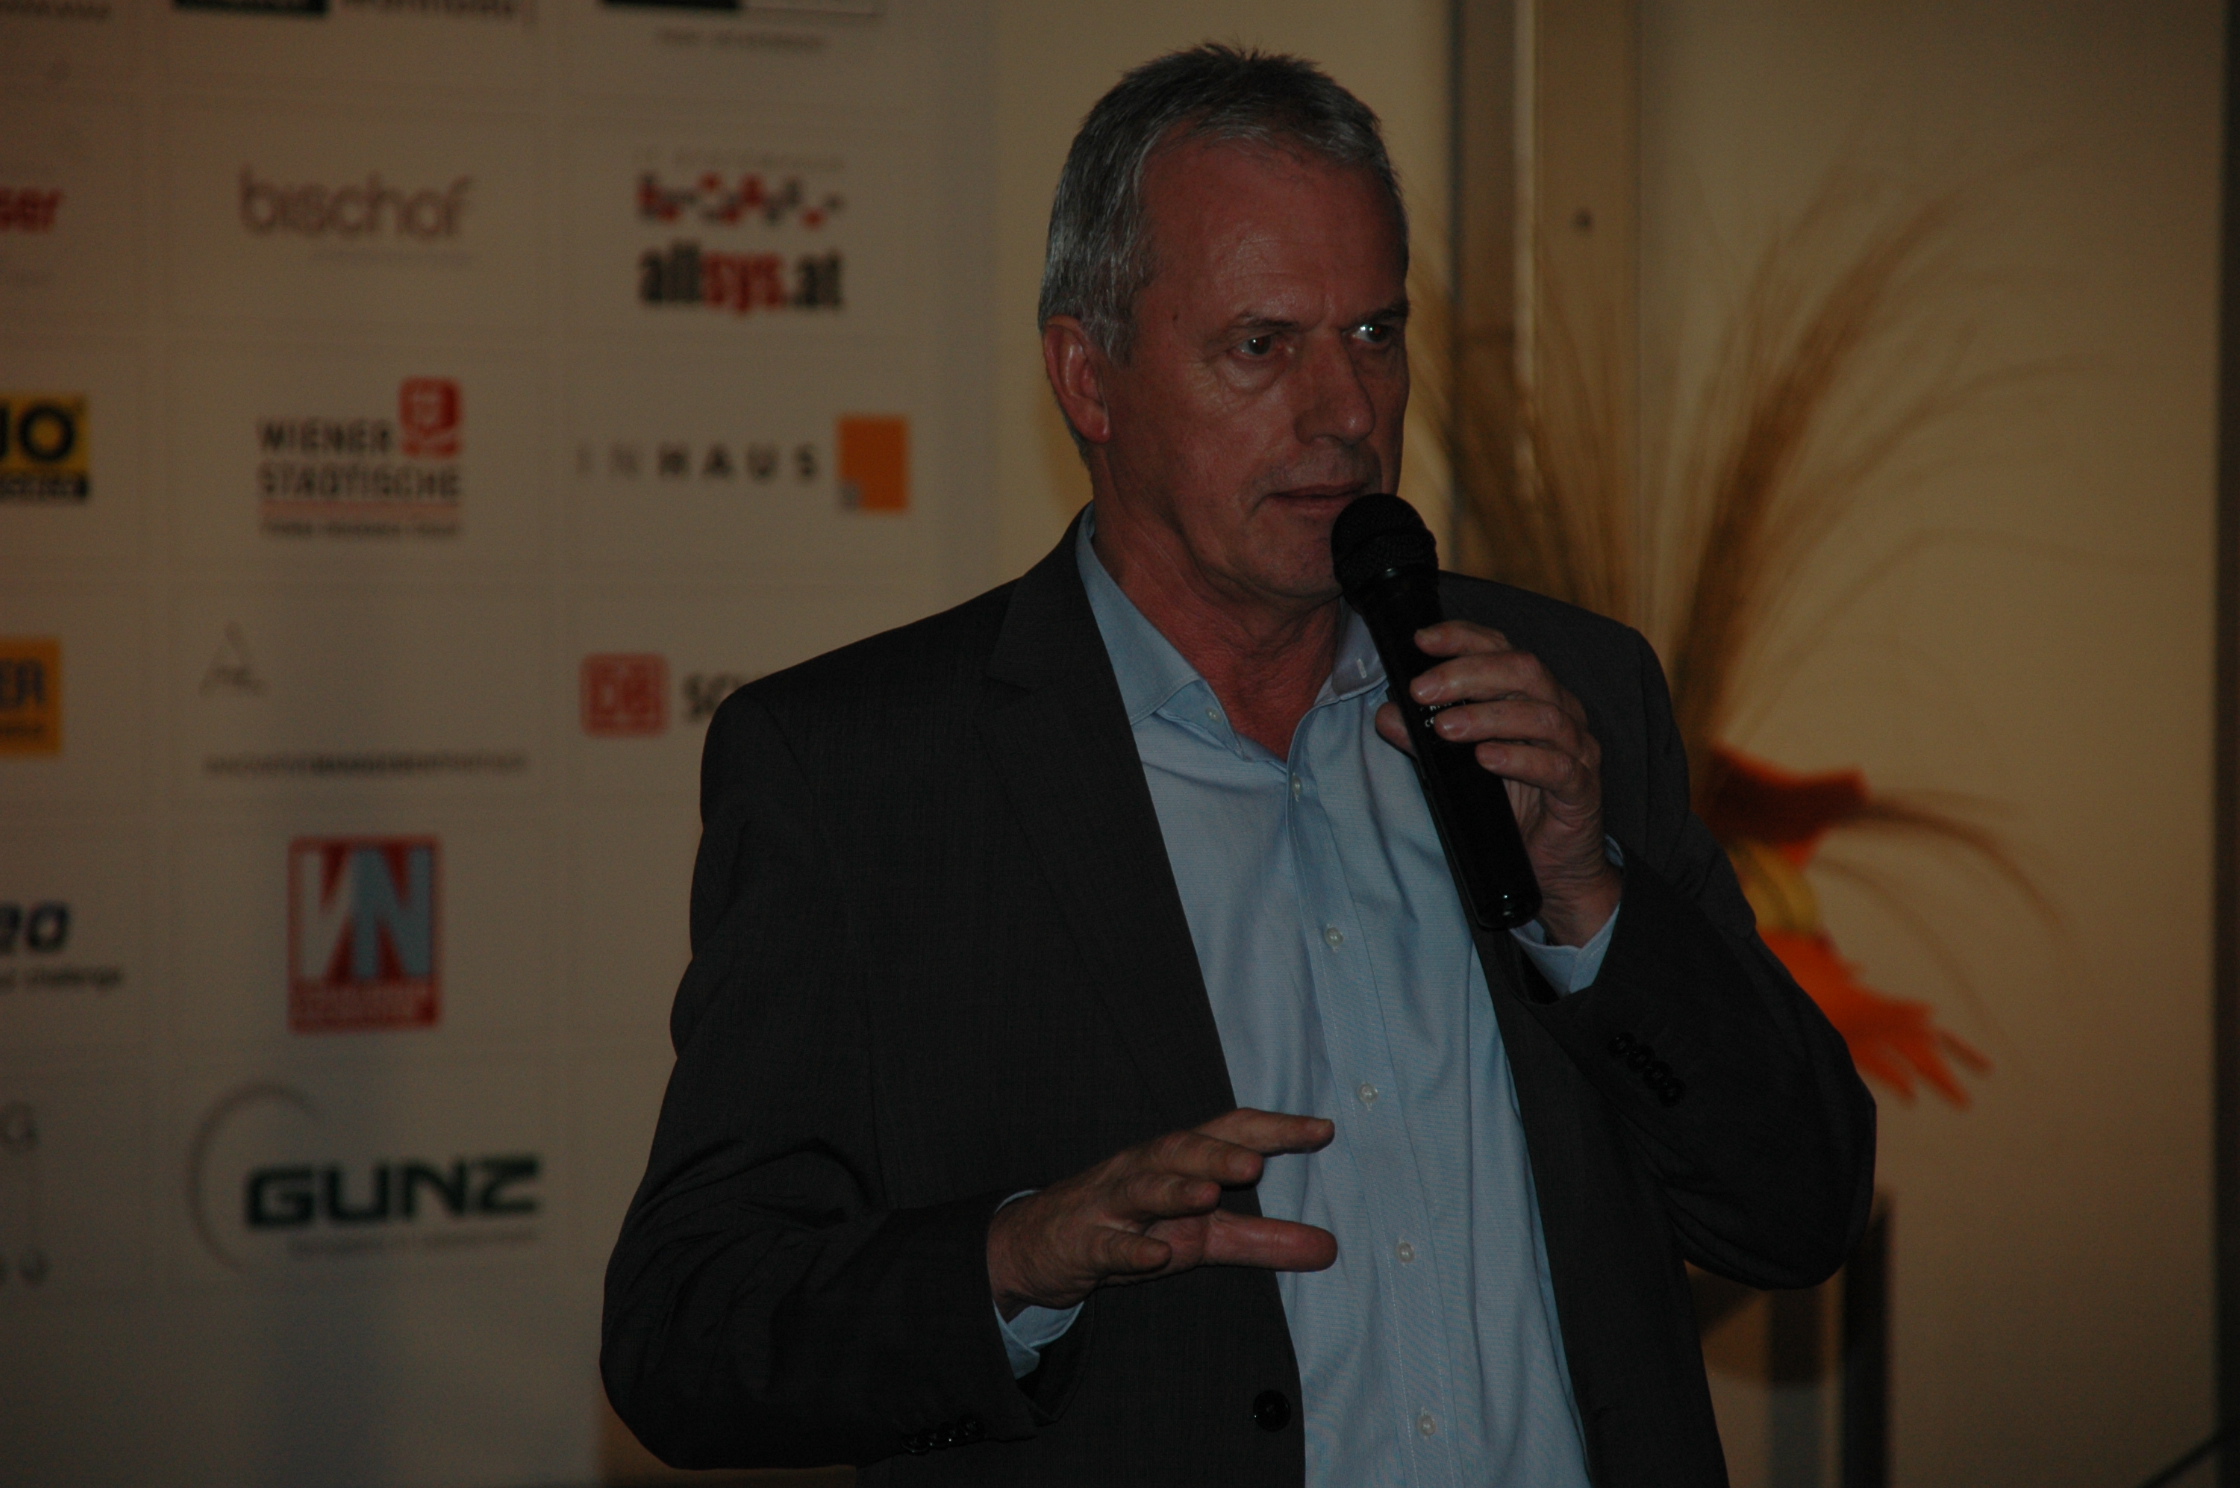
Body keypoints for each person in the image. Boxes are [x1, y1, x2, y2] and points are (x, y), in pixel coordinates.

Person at [602, 45, 1874, 1488]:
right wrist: (1011, 1260)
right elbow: (687, 1335)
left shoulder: (1566, 695)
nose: (1347, 411)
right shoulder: (863, 775)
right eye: (1263, 345)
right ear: (1088, 377)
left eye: (1376, 333)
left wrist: (1590, 899)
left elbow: (1804, 1211)